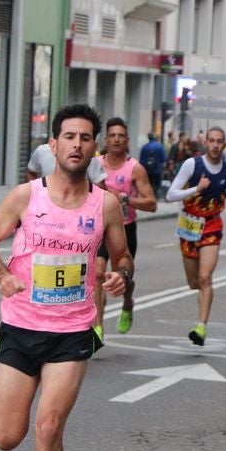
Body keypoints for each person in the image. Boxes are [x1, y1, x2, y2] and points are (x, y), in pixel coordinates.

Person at [0, 103, 130, 451]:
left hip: (72, 331)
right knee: (7, 436)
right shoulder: (26, 197)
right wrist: (1, 274)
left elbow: (121, 257)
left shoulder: (107, 205)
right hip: (21, 326)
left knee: (49, 428)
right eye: (69, 137)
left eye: (85, 138)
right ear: (53, 145)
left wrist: (121, 275)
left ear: (94, 148)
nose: (76, 144)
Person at [166, 126, 226, 346]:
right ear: (205, 143)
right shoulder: (192, 165)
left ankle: (201, 327)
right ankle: (203, 298)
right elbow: (171, 194)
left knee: (205, 277)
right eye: (212, 141)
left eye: (220, 141)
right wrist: (196, 189)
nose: (216, 145)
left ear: (224, 144)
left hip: (211, 225)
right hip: (189, 225)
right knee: (193, 282)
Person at [95, 117, 156, 339]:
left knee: (124, 277)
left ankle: (128, 302)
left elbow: (152, 203)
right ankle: (98, 327)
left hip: (125, 229)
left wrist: (125, 199)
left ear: (127, 140)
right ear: (106, 139)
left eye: (121, 136)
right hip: (100, 229)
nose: (117, 139)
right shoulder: (95, 165)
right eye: (113, 135)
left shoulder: (135, 168)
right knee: (99, 272)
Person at [25, 140, 106, 185]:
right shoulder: (42, 151)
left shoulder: (87, 155)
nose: (76, 143)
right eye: (69, 136)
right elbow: (31, 173)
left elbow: (99, 184)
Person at [139, 132, 166, 197]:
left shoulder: (144, 147)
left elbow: (141, 160)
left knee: (149, 184)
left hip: (147, 170)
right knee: (156, 184)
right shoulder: (160, 146)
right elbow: (164, 158)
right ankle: (155, 196)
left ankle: (149, 196)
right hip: (157, 170)